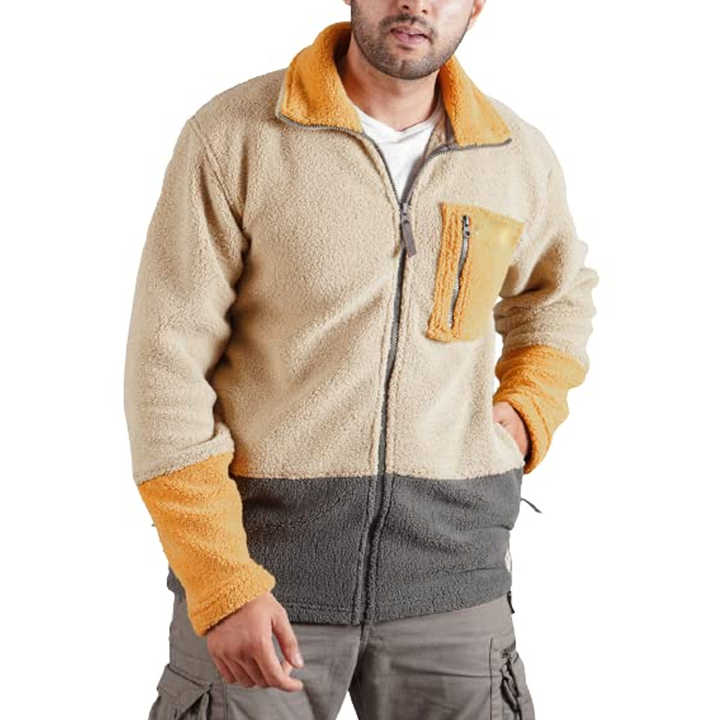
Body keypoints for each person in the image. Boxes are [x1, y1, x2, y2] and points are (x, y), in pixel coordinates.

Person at [123, 2, 598, 718]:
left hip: (454, 583)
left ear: (475, 5)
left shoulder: (513, 155)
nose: (416, 4)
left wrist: (528, 409)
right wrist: (221, 580)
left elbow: (555, 299)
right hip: (260, 583)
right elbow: (165, 368)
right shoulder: (234, 136)